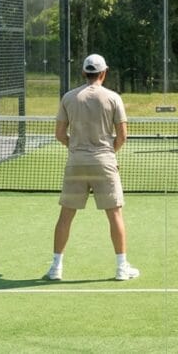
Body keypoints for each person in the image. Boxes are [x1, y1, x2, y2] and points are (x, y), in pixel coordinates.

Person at [45, 54, 140, 282]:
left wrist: (77, 148)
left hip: (76, 162)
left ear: (83, 73)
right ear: (104, 73)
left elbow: (59, 134)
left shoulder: (68, 97)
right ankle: (121, 268)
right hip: (104, 162)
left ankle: (56, 268)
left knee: (65, 216)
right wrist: (107, 153)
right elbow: (122, 136)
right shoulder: (113, 97)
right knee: (115, 214)